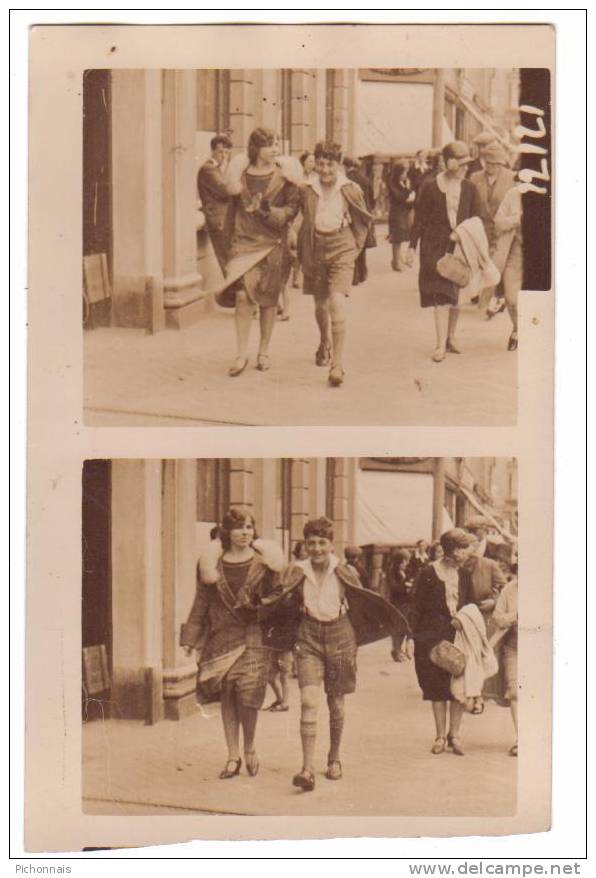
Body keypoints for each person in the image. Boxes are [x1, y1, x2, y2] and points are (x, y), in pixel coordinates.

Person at [269, 517, 408, 791]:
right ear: (304, 545)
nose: (317, 549)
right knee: (309, 700)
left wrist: (362, 637)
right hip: (308, 636)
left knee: (336, 701)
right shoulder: (296, 571)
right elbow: (280, 600)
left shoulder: (345, 571)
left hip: (340, 636)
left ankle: (334, 758)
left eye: (322, 543)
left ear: (332, 545)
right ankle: (307, 769)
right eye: (311, 543)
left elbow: (362, 603)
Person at [179, 507, 284, 779]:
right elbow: (201, 602)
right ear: (227, 532)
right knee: (228, 694)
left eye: (249, 527)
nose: (244, 533)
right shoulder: (211, 567)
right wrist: (190, 638)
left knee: (249, 696)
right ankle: (232, 755)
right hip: (222, 636)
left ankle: (249, 747)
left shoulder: (265, 564)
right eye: (239, 527)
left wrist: (263, 607)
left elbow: (279, 596)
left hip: (254, 636)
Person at [222, 127, 301, 377]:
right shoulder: (240, 177)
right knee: (243, 297)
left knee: (268, 300)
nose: (275, 148)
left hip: (274, 244)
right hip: (244, 243)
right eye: (270, 144)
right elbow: (231, 214)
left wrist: (268, 211)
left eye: (276, 142)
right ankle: (240, 353)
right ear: (256, 148)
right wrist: (227, 250)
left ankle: (263, 351)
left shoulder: (284, 177)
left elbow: (291, 210)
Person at [298, 141, 373, 388]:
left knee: (337, 302)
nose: (325, 170)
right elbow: (295, 215)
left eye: (330, 164)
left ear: (338, 164)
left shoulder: (350, 189)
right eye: (320, 164)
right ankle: (324, 341)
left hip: (341, 246)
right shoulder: (307, 188)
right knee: (320, 306)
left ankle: (337, 365)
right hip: (315, 248)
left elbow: (364, 220)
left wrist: (353, 248)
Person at [407, 141, 487, 363]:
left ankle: (451, 337)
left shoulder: (470, 188)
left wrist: (462, 234)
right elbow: (420, 219)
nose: (465, 168)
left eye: (467, 164)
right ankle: (440, 344)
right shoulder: (431, 187)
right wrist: (411, 247)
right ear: (448, 162)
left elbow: (479, 219)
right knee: (441, 296)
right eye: (461, 164)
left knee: (456, 295)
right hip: (435, 248)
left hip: (462, 248)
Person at [403, 528, 478, 756]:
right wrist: (409, 637)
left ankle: (454, 735)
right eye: (465, 549)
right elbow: (416, 607)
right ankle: (439, 736)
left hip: (459, 637)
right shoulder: (428, 572)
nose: (468, 553)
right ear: (454, 550)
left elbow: (471, 604)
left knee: (458, 686)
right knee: (436, 687)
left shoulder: (465, 574)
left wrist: (464, 620)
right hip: (431, 638)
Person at [471, 143, 522, 351]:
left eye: (495, 162)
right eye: (487, 162)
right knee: (504, 286)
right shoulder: (475, 179)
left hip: (513, 241)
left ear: (502, 163)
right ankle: (486, 297)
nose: (490, 166)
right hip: (488, 233)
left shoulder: (512, 178)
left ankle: (521, 329)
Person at [197, 134, 233, 271]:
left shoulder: (218, 169)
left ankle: (232, 290)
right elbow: (225, 190)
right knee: (227, 260)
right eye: (220, 152)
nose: (223, 156)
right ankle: (232, 291)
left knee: (230, 259)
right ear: (212, 151)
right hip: (218, 221)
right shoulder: (208, 169)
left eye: (226, 152)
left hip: (225, 219)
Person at [491, 577, 518, 756]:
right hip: (514, 648)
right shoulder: (509, 589)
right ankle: (521, 738)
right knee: (515, 692)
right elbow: (497, 618)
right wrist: (515, 617)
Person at [463, 525, 507, 626]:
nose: (472, 550)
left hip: (482, 615)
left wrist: (494, 601)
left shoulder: (489, 564)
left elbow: (504, 589)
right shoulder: (455, 566)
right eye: (467, 546)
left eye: (475, 546)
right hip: (460, 616)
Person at [343, 156, 376, 285]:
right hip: (364, 214)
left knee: (352, 244)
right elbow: (372, 199)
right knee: (361, 243)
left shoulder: (346, 180)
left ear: (346, 166)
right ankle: (363, 273)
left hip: (352, 215)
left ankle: (354, 276)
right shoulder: (365, 179)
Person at [387, 162, 416, 271]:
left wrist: (408, 192)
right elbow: (399, 197)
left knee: (399, 238)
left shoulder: (401, 183)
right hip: (396, 213)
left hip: (402, 212)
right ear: (398, 173)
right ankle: (395, 263)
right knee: (396, 239)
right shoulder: (393, 184)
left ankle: (396, 261)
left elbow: (407, 196)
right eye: (404, 172)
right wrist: (408, 192)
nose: (405, 175)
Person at [387, 548, 413, 660]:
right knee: (397, 627)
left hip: (406, 602)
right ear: (399, 561)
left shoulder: (405, 572)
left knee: (404, 627)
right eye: (405, 561)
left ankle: (399, 649)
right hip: (397, 603)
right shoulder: (392, 572)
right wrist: (405, 585)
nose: (406, 564)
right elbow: (394, 588)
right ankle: (396, 650)